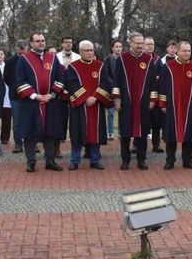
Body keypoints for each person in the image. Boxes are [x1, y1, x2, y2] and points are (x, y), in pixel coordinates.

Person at [15, 33, 66, 172]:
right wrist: (35, 96)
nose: (41, 43)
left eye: (43, 40)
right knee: (29, 133)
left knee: (50, 132)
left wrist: (52, 94)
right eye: (37, 41)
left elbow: (60, 77)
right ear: (31, 43)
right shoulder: (24, 59)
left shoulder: (52, 57)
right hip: (31, 102)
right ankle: (31, 161)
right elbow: (20, 81)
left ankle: (50, 161)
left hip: (50, 101)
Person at [158, 41, 192, 169]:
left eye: (189, 51)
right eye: (184, 51)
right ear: (178, 51)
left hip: (190, 107)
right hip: (172, 107)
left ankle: (187, 160)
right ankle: (170, 160)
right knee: (171, 134)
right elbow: (162, 87)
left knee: (189, 135)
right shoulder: (168, 67)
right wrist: (162, 104)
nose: (187, 53)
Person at [112, 32, 156, 170]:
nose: (140, 45)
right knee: (125, 132)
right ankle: (125, 160)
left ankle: (141, 160)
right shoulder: (122, 59)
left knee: (143, 131)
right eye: (137, 43)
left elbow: (153, 82)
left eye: (141, 43)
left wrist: (152, 99)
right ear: (130, 43)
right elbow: (116, 80)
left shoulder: (148, 60)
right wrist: (117, 99)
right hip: (126, 101)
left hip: (143, 102)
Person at [66, 40, 111, 170]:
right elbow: (71, 84)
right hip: (80, 106)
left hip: (96, 106)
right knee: (78, 133)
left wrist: (95, 97)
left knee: (95, 133)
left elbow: (106, 83)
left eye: (91, 50)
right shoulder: (73, 67)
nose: (90, 53)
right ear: (80, 52)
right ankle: (74, 160)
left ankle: (95, 160)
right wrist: (85, 97)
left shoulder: (100, 66)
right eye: (87, 50)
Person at [4, 39, 29, 153]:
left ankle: (31, 143)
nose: (22, 52)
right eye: (20, 50)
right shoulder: (9, 61)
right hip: (15, 95)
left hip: (30, 95)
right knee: (17, 122)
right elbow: (7, 78)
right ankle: (18, 143)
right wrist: (16, 87)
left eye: (24, 49)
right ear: (17, 49)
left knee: (31, 120)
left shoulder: (32, 59)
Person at [145, 36, 164, 153]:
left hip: (155, 95)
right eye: (148, 44)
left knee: (156, 122)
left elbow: (161, 77)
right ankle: (137, 145)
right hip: (143, 95)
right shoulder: (140, 59)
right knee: (142, 121)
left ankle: (156, 145)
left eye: (152, 44)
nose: (150, 46)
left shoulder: (158, 60)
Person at [104, 39, 123, 141]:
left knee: (121, 111)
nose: (119, 48)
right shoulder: (107, 60)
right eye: (117, 46)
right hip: (111, 89)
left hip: (122, 89)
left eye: (120, 47)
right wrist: (114, 86)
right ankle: (110, 132)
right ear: (112, 48)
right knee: (110, 112)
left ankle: (121, 132)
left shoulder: (125, 59)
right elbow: (106, 75)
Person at [0, 49, 12, 145]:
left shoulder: (7, 66)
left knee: (7, 118)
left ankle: (5, 138)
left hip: (7, 96)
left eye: (1, 54)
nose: (0, 56)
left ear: (4, 56)